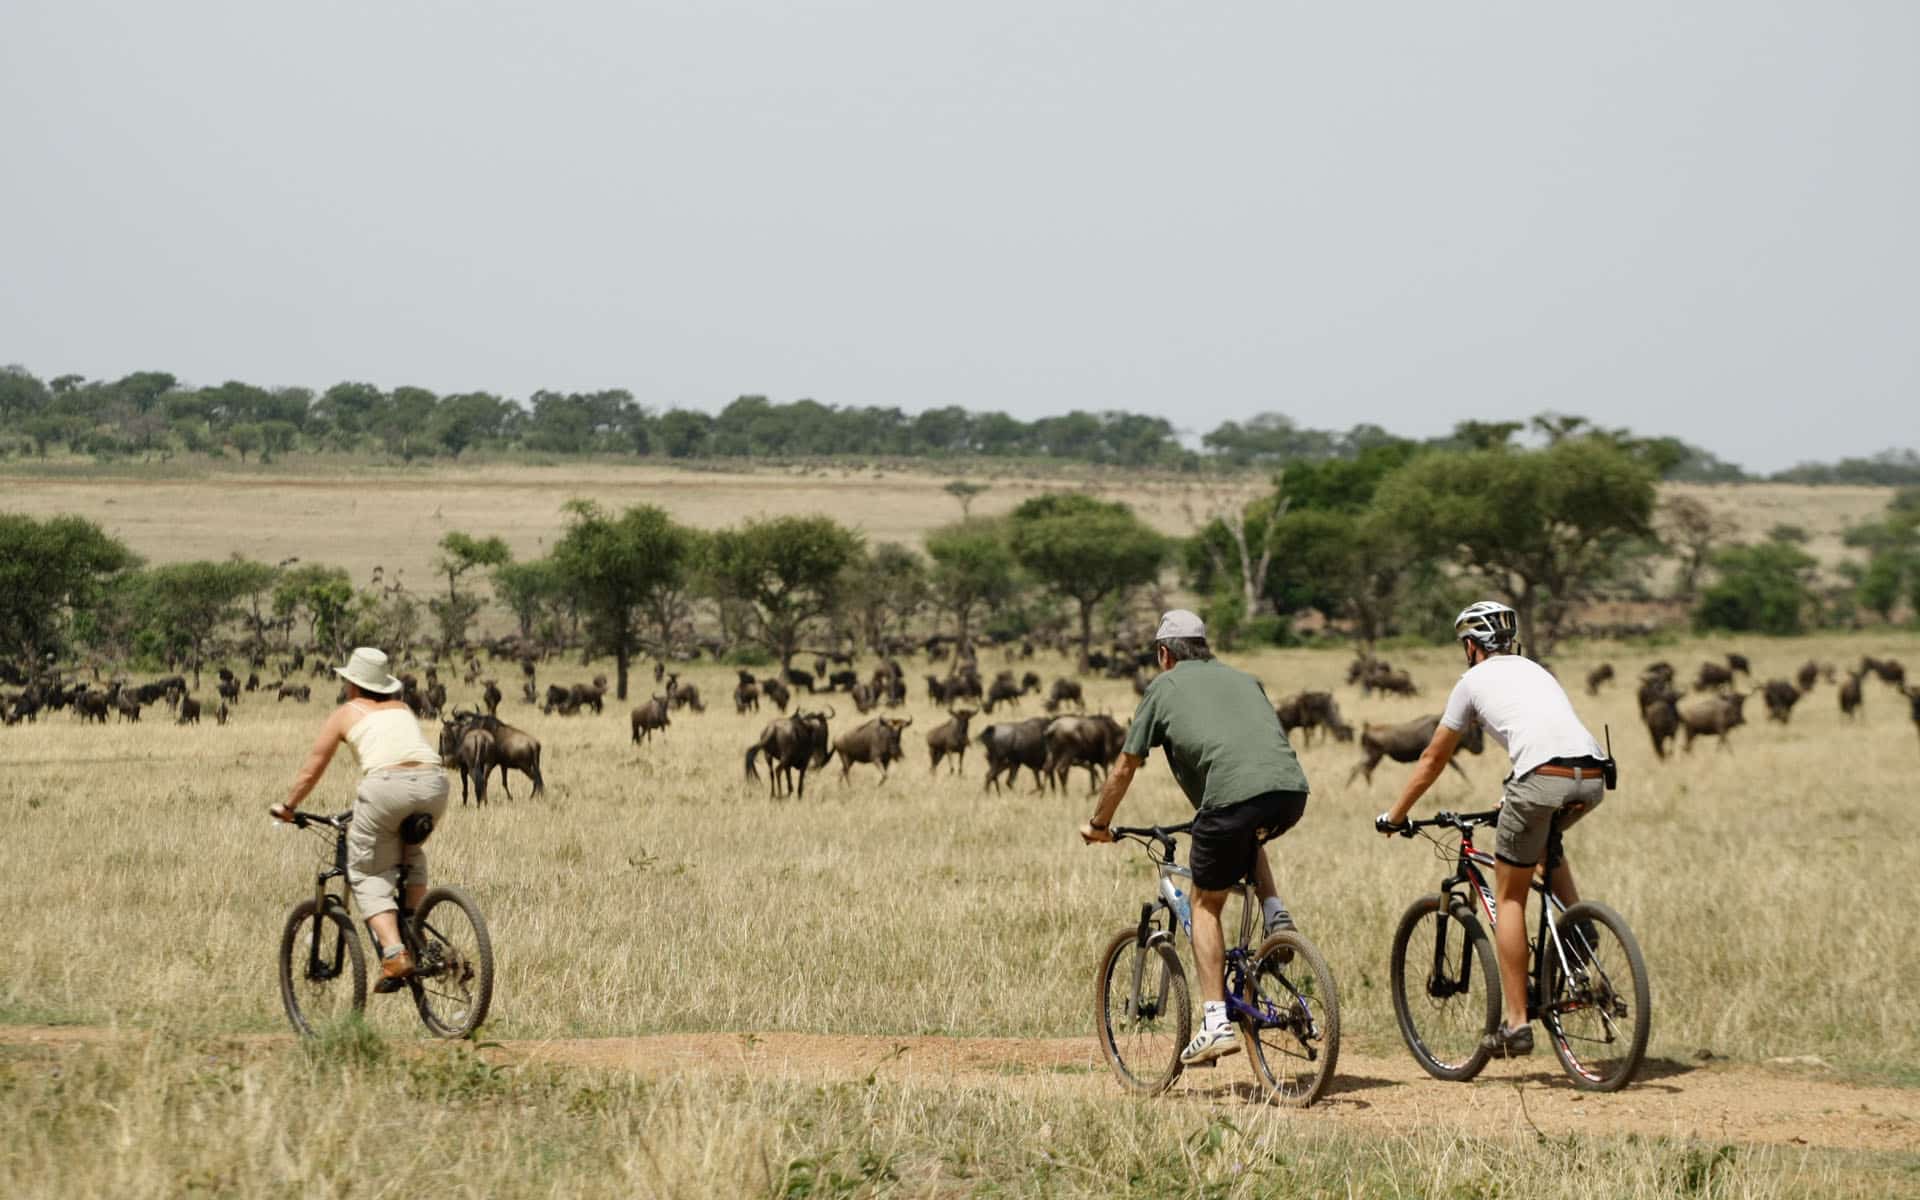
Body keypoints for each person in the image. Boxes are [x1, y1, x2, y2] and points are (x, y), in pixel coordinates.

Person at [1375, 600, 1610, 1057]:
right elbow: (1549, 733)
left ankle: (1517, 1023)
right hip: (1593, 775)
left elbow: (1432, 759)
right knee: (1544, 845)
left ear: (1471, 645)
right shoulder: (1537, 669)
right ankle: (1579, 931)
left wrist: (1396, 815)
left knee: (1510, 898)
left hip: (1540, 780)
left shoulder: (1471, 682)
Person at [1080, 610, 1311, 1065]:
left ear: (1164, 653)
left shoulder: (1162, 687)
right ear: (1204, 646)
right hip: (1290, 793)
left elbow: (1126, 766)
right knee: (1249, 834)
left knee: (1205, 904)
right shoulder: (1246, 679)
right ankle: (1276, 913)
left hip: (1227, 801)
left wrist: (1099, 824)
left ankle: (1214, 1023)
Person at [272, 646, 448, 990]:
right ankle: (416, 934)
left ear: (352, 684)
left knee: (366, 870)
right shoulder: (402, 708)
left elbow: (312, 769)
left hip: (385, 787)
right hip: (435, 785)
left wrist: (289, 806)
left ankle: (395, 953)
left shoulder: (345, 713)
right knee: (409, 852)